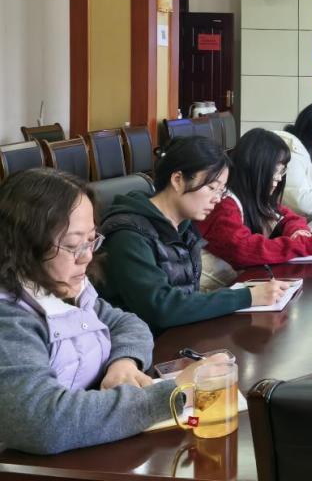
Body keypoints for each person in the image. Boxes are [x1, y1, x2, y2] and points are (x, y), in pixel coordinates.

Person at [0, 168, 210, 454]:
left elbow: (127, 323)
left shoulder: (67, 287)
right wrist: (173, 395)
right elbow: (43, 423)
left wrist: (124, 362)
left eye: (91, 240)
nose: (87, 256)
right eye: (73, 245)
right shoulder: (10, 318)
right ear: (24, 246)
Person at [96, 137, 291, 334]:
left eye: (221, 191)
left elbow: (186, 296)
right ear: (178, 180)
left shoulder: (185, 226)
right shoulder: (129, 235)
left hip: (180, 334)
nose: (217, 199)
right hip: (145, 345)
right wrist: (247, 297)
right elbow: (161, 308)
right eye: (211, 188)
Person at [197, 128, 312, 270]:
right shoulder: (224, 205)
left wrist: (298, 233)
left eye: (282, 171)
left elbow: (289, 217)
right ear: (254, 168)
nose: (279, 178)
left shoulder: (257, 198)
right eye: (275, 171)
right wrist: (303, 245)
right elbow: (242, 249)